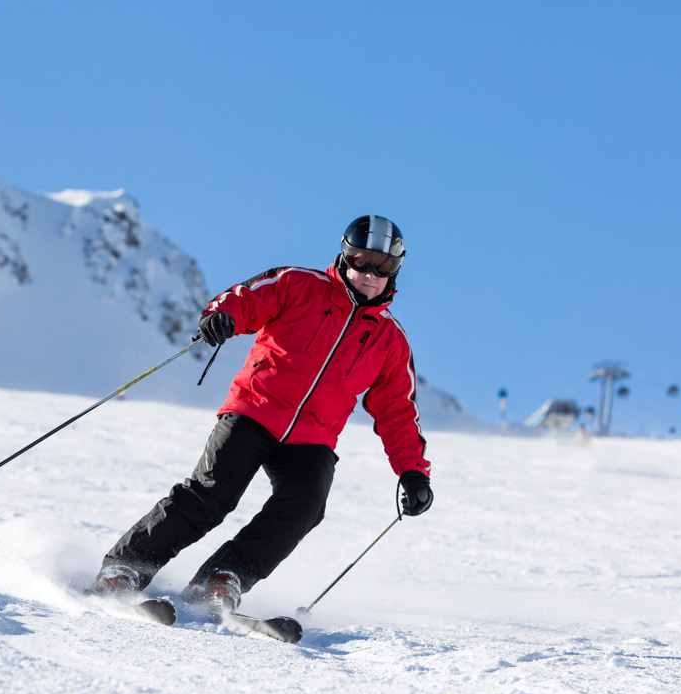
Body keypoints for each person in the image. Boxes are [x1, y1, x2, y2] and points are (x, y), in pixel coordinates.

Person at [89, 215, 433, 612]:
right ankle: (126, 567)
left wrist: (413, 472)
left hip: (312, 439)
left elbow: (398, 412)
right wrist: (223, 316)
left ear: (395, 271)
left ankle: (222, 577)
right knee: (211, 494)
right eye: (361, 261)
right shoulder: (298, 284)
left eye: (383, 266)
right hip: (254, 410)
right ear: (344, 257)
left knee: (305, 506)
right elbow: (245, 298)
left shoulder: (390, 340)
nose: (370, 273)